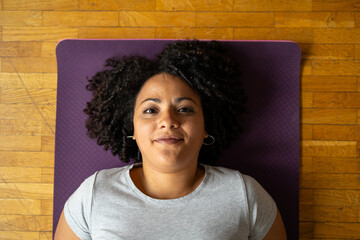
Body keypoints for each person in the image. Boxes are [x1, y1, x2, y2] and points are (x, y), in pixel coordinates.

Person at [55, 40, 287, 239]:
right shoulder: (94, 194)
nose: (167, 120)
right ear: (132, 128)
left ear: (206, 126)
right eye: (150, 110)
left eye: (185, 109)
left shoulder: (244, 195)